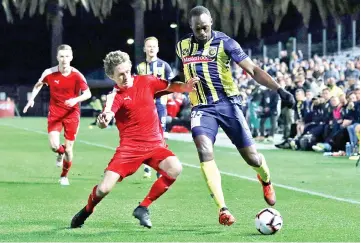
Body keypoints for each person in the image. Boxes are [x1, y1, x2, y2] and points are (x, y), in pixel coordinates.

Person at [175, 6, 295, 226]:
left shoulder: (226, 43)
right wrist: (173, 87)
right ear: (190, 27)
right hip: (201, 107)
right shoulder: (182, 46)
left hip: (228, 105)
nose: (202, 32)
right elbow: (183, 74)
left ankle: (265, 179)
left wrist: (279, 89)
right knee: (203, 149)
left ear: (211, 21)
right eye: (197, 28)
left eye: (205, 27)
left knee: (252, 158)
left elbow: (253, 70)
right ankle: (223, 209)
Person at [70, 50, 198, 229]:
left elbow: (171, 86)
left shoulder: (147, 81)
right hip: (130, 149)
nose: (125, 77)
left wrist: (186, 87)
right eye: (120, 75)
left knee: (175, 168)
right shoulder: (115, 96)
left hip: (155, 146)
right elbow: (107, 115)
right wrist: (103, 121)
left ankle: (143, 207)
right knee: (103, 189)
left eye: (127, 72)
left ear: (131, 67)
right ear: (111, 76)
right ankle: (87, 210)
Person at [23, 44, 91, 186]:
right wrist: (31, 99)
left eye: (67, 56)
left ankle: (64, 176)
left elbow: (88, 94)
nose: (64, 59)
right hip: (55, 113)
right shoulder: (49, 73)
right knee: (54, 146)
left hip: (72, 115)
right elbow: (38, 85)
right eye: (61, 56)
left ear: (71, 57)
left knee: (69, 149)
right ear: (57, 57)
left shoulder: (77, 75)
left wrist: (75, 100)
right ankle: (59, 154)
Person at [136, 36, 175, 179]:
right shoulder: (139, 67)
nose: (151, 49)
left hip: (159, 105)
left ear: (157, 49)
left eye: (154, 46)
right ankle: (148, 164)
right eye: (149, 46)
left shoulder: (164, 66)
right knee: (146, 136)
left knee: (160, 136)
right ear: (145, 49)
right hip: (145, 107)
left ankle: (160, 167)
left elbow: (172, 85)